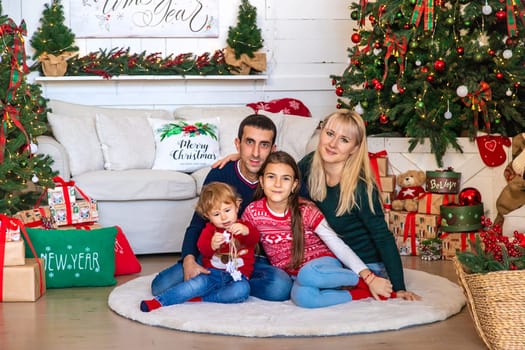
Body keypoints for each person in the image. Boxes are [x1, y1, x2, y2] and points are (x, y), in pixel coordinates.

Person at [150, 114, 293, 302]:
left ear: (273, 149)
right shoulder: (221, 173)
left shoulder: (279, 179)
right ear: (237, 143)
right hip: (216, 254)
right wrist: (189, 260)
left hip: (252, 259)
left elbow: (301, 182)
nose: (256, 153)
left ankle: (227, 284)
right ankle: (226, 283)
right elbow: (197, 224)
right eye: (249, 142)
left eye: (264, 145)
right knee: (161, 287)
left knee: (280, 287)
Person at [241, 151, 407, 309]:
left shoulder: (306, 210)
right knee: (302, 297)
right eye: (271, 177)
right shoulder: (253, 212)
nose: (277, 184)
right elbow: (239, 243)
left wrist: (368, 276)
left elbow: (336, 243)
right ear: (261, 181)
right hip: (293, 275)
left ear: (294, 185)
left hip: (322, 264)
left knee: (308, 275)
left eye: (285, 179)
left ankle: (362, 283)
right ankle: (359, 294)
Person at [298, 109, 420, 300]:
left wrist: (400, 287)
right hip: (333, 259)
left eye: (344, 140)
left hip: (367, 265)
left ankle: (362, 286)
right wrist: (243, 160)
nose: (332, 144)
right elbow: (281, 176)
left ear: (354, 148)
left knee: (309, 279)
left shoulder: (361, 188)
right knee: (302, 289)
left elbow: (383, 237)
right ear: (321, 133)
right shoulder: (309, 165)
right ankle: (350, 289)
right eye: (330, 134)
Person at [140, 182, 259, 312]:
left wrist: (246, 231)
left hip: (237, 277)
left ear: (237, 206)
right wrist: (212, 244)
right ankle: (159, 301)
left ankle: (203, 299)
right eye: (216, 214)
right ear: (207, 216)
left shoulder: (244, 226)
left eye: (227, 210)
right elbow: (203, 250)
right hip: (211, 274)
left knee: (242, 290)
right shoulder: (209, 230)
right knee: (192, 286)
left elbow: (254, 239)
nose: (224, 217)